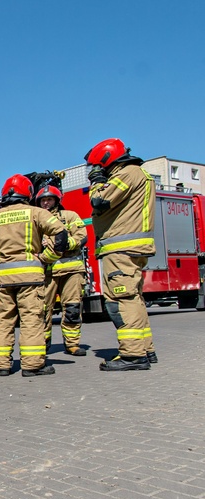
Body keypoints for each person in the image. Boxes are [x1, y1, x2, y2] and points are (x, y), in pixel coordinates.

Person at [0, 174, 67, 377]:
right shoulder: (36, 213)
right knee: (31, 319)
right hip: (30, 277)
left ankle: (2, 365)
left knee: (2, 320)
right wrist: (46, 257)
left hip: (1, 279)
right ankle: (32, 365)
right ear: (27, 193)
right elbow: (60, 234)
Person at [85, 138, 156, 371]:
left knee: (121, 299)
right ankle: (145, 348)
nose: (98, 171)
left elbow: (100, 200)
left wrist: (97, 183)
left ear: (107, 160)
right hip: (132, 247)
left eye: (99, 167)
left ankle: (133, 355)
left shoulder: (125, 174)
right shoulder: (139, 174)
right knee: (134, 299)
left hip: (121, 248)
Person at [35, 185, 88, 356]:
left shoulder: (70, 216)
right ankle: (43, 344)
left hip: (71, 270)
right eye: (43, 200)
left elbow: (81, 236)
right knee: (42, 310)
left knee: (72, 308)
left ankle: (72, 344)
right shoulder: (36, 220)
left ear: (57, 200)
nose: (46, 203)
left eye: (49, 199)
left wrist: (63, 244)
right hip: (46, 272)